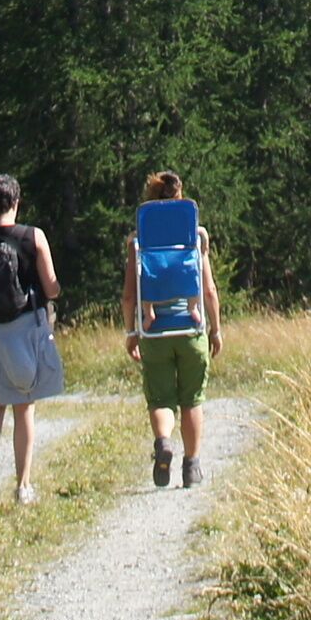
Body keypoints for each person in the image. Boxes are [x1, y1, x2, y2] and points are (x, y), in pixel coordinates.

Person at [0, 173, 62, 506]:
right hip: (26, 330)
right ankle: (23, 487)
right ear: (16, 202)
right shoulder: (34, 236)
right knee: (24, 407)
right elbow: (50, 286)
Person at [121, 167, 221, 488]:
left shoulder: (139, 242)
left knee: (161, 398)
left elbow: (128, 296)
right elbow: (208, 290)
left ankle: (164, 442)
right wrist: (215, 329)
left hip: (155, 332)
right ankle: (191, 467)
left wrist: (131, 332)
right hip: (191, 328)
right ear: (180, 197)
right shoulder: (196, 236)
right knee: (192, 399)